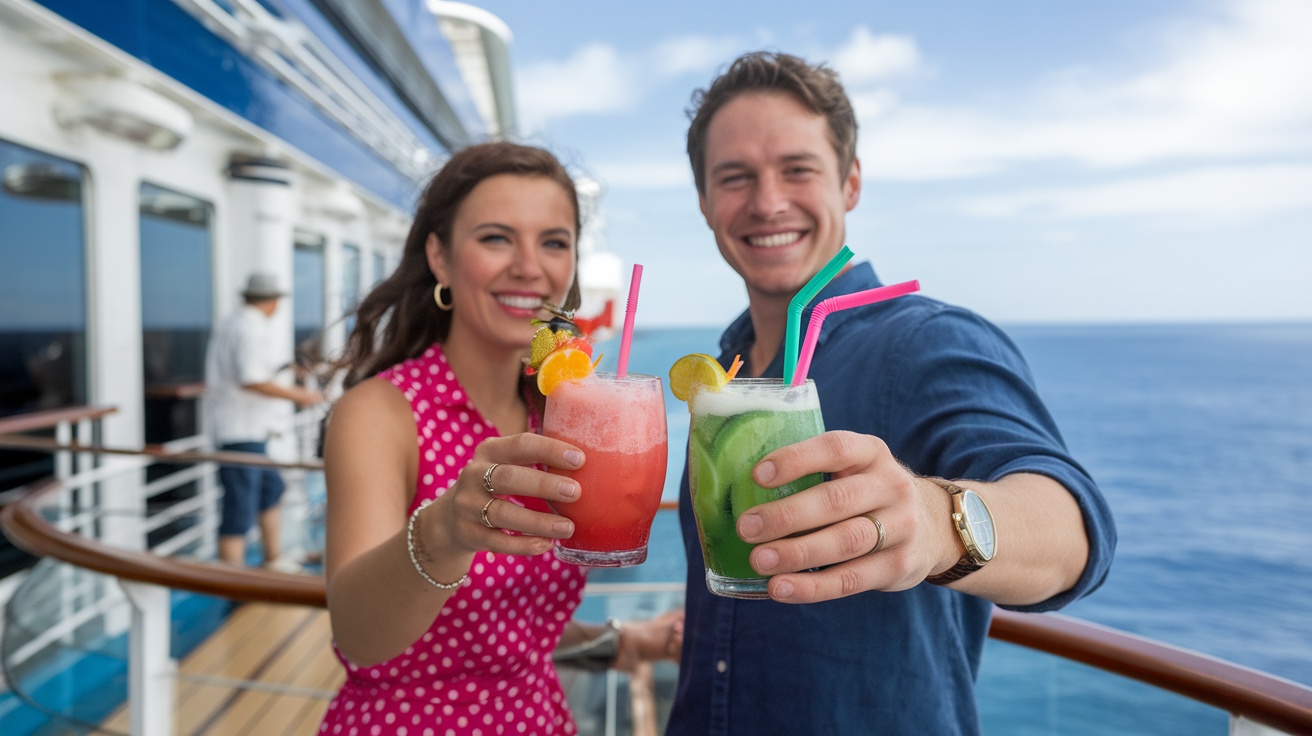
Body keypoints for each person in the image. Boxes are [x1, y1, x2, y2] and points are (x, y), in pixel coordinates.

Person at [666, 52, 1117, 735]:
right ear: (704, 202)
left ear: (849, 183)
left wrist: (936, 524)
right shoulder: (727, 372)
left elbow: (1073, 532)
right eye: (735, 178)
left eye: (798, 169)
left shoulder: (926, 342)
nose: (767, 201)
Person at [317, 141, 682, 736]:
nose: (529, 267)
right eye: (495, 237)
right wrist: (444, 530)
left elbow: (505, 631)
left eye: (554, 242)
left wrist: (624, 640)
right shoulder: (380, 412)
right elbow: (358, 635)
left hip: (537, 718)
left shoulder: (560, 417)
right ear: (439, 257)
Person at [205, 272, 322, 572]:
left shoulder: (233, 323)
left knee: (272, 488)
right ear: (272, 301)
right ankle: (232, 580)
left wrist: (283, 370)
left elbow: (247, 372)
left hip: (245, 430)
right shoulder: (251, 328)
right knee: (238, 507)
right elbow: (250, 379)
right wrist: (298, 395)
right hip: (241, 432)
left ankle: (273, 559)